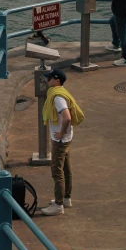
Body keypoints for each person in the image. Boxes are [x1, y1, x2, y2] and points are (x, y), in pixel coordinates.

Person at [40, 68, 84, 216]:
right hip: (67, 138)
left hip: (60, 140)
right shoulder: (62, 92)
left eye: (50, 78)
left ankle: (58, 206)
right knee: (66, 168)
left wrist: (61, 132)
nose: (47, 81)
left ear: (57, 80)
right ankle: (66, 199)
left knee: (56, 171)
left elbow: (67, 117)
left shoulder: (58, 97)